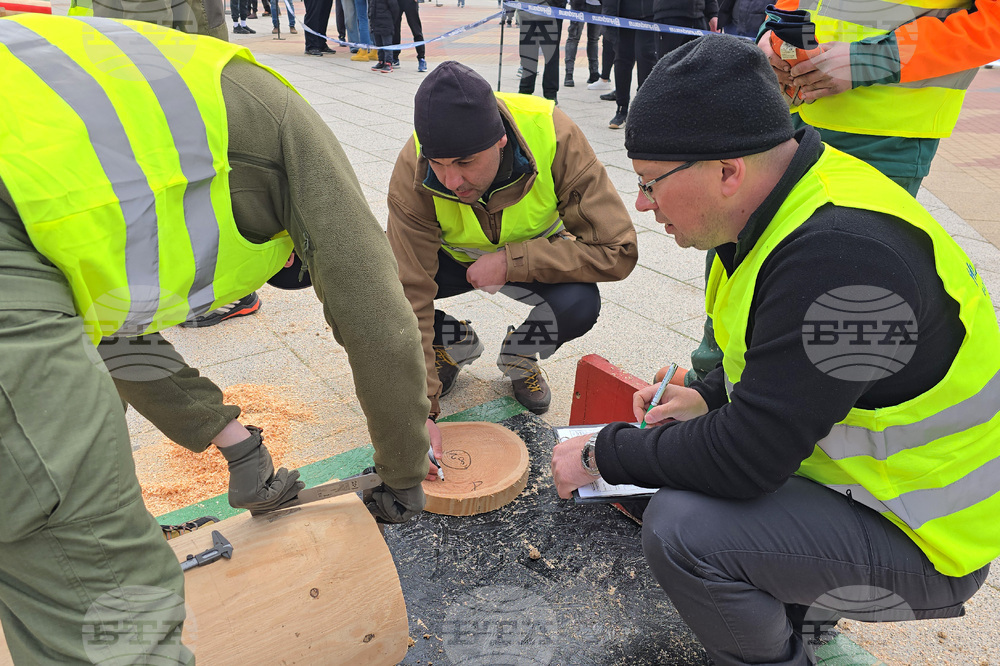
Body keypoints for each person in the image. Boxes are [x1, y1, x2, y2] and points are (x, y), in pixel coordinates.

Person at [551, 36, 1000, 665]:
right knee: (700, 483)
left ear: (728, 170)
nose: (642, 204)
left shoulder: (842, 260)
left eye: (652, 183)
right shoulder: (782, 206)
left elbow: (748, 460)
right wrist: (708, 394)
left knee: (685, 531)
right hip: (871, 483)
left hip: (929, 535)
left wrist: (604, 453)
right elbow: (791, 368)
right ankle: (799, 612)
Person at [0, 13, 433, 662]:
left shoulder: (147, 126)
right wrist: (403, 471)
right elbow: (382, 326)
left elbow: (111, 337)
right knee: (102, 576)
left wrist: (237, 447)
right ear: (289, 245)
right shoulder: (284, 130)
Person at [387, 61, 638, 417]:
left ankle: (520, 352)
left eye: (465, 162)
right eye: (438, 164)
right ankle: (453, 342)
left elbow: (618, 250)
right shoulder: (413, 164)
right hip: (452, 259)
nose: (451, 181)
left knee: (579, 306)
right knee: (375, 292)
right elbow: (411, 289)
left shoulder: (554, 134)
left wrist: (512, 261)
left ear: (501, 141)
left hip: (534, 259)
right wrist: (422, 409)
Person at [759, 0, 1000, 197]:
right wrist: (771, 34)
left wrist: (870, 60)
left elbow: (994, 23)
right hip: (790, 115)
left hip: (880, 139)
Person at [606, 0, 657, 129]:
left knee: (646, 59)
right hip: (622, 15)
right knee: (621, 61)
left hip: (649, 16)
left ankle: (644, 109)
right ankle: (621, 110)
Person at [518, 0, 566, 103]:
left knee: (551, 54)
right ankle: (525, 90)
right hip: (527, 10)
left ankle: (550, 93)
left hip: (550, 10)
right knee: (528, 52)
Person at [563, 0, 600, 87]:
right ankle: (569, 73)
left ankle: (594, 72)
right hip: (581, 4)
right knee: (575, 38)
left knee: (592, 39)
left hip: (597, 4)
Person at [392, 0, 428, 71]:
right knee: (395, 30)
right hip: (396, 2)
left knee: (416, 29)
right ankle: (394, 57)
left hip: (410, 2)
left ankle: (421, 58)